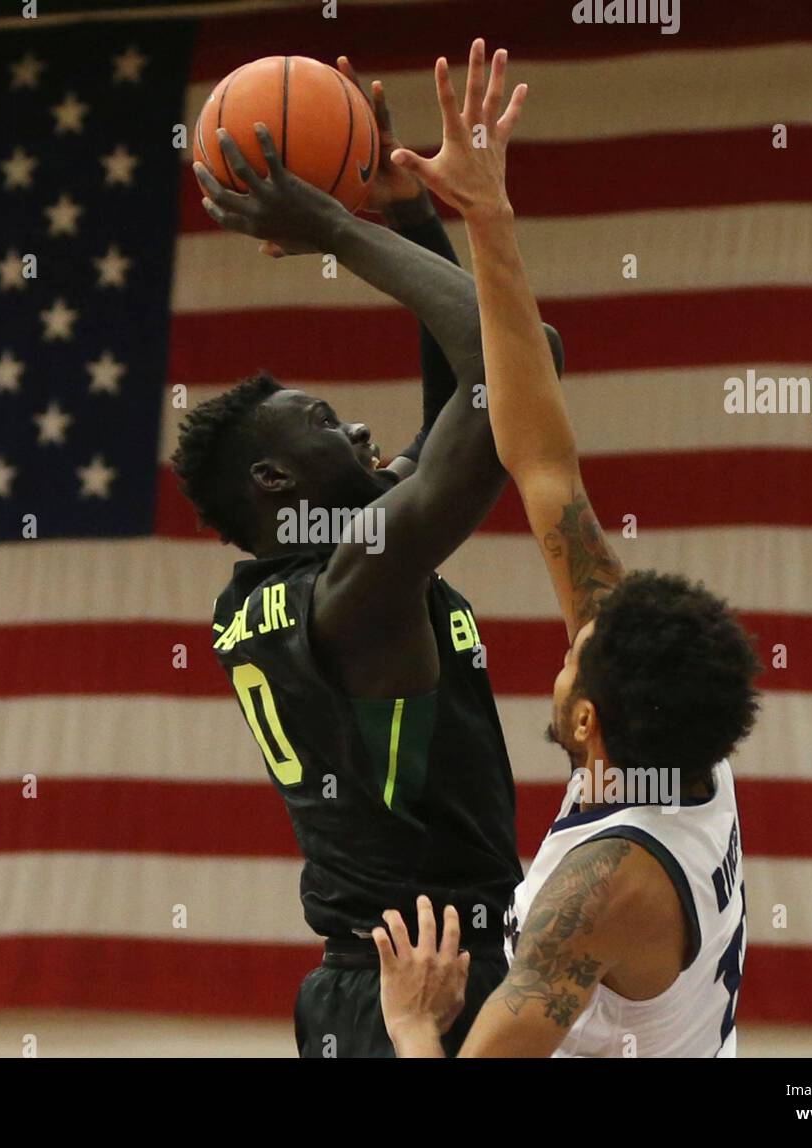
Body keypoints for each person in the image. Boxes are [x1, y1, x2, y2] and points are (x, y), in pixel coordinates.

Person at [373, 41, 761, 1059]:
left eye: (571, 656)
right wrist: (486, 216)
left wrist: (411, 1019)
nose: (569, 639)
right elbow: (542, 460)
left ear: (589, 721)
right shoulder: (676, 744)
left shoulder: (597, 893)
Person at [175, 54, 562, 1058]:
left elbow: (481, 388)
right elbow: (519, 369)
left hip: (385, 971)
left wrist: (405, 214)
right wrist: (337, 230)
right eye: (325, 424)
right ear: (274, 481)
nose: (357, 430)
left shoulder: (302, 580)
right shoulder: (359, 587)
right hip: (424, 984)